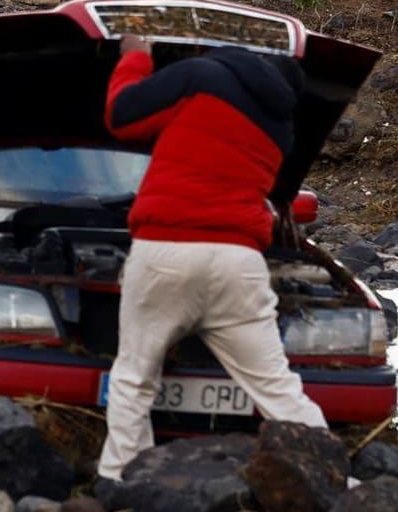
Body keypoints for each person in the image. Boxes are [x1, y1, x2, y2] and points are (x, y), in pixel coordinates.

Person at [96, 36, 327, 497]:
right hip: (238, 262)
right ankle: (329, 469)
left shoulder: (202, 77)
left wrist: (135, 56)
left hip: (166, 247)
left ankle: (122, 479)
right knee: (276, 385)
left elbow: (121, 116)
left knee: (135, 374)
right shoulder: (282, 127)